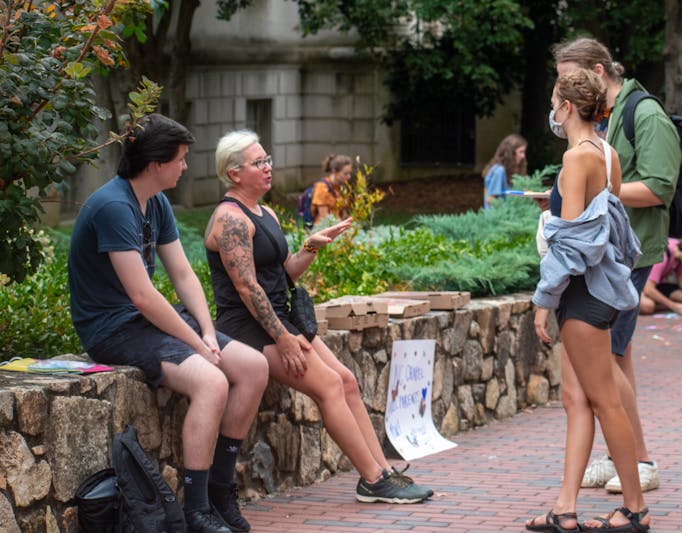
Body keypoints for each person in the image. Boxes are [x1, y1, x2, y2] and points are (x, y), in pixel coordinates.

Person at [204, 130, 433, 505]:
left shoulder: (266, 212)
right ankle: (373, 479)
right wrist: (282, 338)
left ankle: (384, 472)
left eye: (268, 160)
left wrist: (311, 245)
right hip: (249, 328)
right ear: (233, 173)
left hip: (280, 319)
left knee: (346, 381)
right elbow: (247, 289)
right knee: (328, 386)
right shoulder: (229, 219)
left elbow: (283, 276)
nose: (267, 168)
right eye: (258, 163)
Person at [68, 114, 268, 533]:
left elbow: (181, 274)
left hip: (146, 319)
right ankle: (196, 512)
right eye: (180, 159)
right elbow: (142, 295)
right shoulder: (112, 206)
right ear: (157, 163)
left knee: (253, 367)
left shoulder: (154, 202)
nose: (185, 167)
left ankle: (219, 491)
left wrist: (207, 329)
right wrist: (196, 344)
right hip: (113, 328)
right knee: (211, 382)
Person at [554, 37, 680, 499]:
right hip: (608, 253)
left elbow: (661, 185)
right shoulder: (601, 122)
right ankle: (625, 465)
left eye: (570, 77)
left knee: (606, 366)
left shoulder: (643, 113)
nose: (562, 89)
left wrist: (588, 190)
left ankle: (640, 465)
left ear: (599, 72)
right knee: (615, 358)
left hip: (631, 253)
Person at [528, 68, 648, 533]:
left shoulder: (576, 158)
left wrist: (543, 301)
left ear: (568, 107)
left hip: (583, 294)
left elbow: (571, 245)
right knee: (577, 400)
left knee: (602, 402)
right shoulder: (607, 153)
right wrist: (556, 204)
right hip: (598, 289)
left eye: (555, 101)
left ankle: (635, 508)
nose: (552, 111)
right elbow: (605, 220)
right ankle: (566, 507)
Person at [638, 237, 682, 316]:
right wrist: (673, 305)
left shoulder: (680, 252)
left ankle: (658, 302)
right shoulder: (663, 255)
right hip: (641, 285)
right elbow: (648, 288)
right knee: (648, 306)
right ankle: (657, 304)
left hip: (657, 285)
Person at [482, 133, 527, 209]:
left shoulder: (509, 170)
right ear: (510, 153)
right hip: (498, 218)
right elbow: (490, 199)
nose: (523, 156)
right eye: (520, 152)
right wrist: (508, 209)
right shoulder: (499, 171)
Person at [311, 154, 352, 225]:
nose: (349, 177)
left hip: (338, 226)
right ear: (334, 172)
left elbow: (342, 213)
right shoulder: (322, 188)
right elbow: (324, 218)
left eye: (349, 173)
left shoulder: (341, 188)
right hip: (323, 229)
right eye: (345, 174)